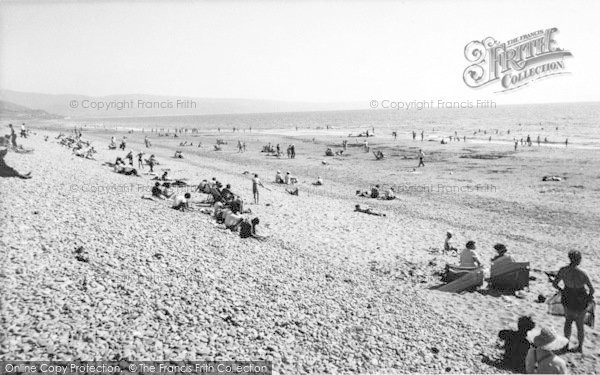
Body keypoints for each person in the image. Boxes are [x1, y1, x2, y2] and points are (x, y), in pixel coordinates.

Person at [552, 250, 595, 353]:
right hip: (580, 300)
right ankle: (580, 347)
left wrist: (562, 290)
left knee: (568, 322)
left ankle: (566, 345)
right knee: (580, 325)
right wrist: (588, 298)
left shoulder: (563, 270)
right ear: (579, 260)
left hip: (568, 297)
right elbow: (592, 290)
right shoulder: (582, 273)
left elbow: (554, 284)